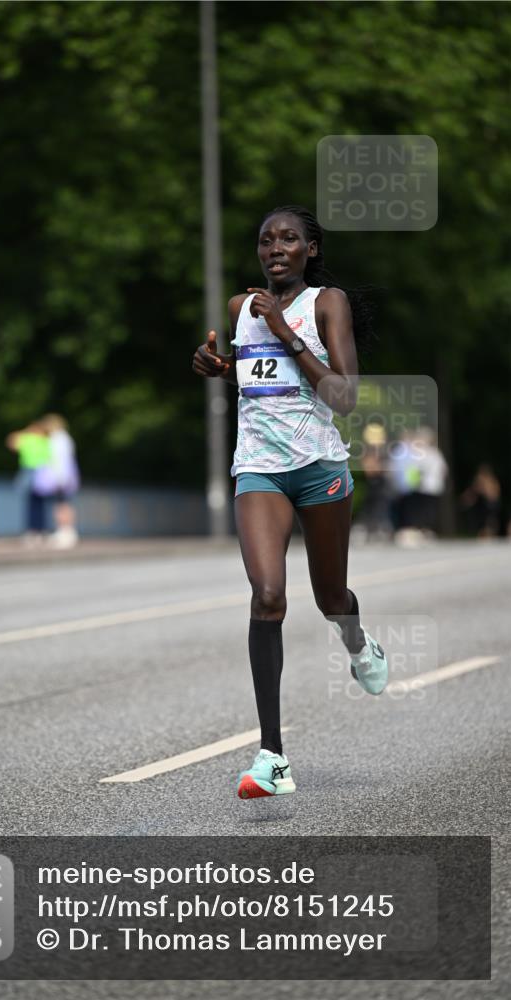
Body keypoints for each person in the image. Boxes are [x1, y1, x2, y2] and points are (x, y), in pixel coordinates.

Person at [192, 204, 388, 800]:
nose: (275, 248)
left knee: (331, 597)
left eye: (288, 239)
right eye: (266, 240)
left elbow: (343, 396)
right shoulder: (240, 308)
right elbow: (259, 376)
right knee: (268, 596)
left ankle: (358, 643)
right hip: (259, 469)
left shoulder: (326, 304)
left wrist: (285, 330)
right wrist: (221, 368)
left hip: (318, 467)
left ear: (311, 249)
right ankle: (272, 757)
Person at [37, 414, 81, 549]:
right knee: (63, 503)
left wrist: (60, 478)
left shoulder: (58, 439)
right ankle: (65, 531)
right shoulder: (63, 438)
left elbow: (60, 460)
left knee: (62, 504)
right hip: (63, 476)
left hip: (60, 477)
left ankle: (66, 532)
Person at [5, 421, 52, 540]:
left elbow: (11, 441)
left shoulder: (34, 439)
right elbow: (11, 443)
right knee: (37, 503)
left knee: (35, 503)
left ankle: (36, 530)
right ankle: (37, 530)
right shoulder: (40, 440)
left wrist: (26, 431)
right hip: (36, 471)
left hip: (38, 472)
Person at [460, 463, 501, 537]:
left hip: (489, 508)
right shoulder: (482, 482)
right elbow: (471, 493)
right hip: (484, 508)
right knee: (485, 527)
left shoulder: (491, 482)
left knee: (489, 526)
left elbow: (493, 496)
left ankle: (488, 534)